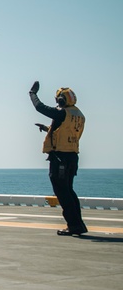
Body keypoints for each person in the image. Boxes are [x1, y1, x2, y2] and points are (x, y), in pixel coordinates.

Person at [29, 81, 87, 236]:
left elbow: (39, 107)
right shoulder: (79, 115)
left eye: (58, 100)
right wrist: (48, 129)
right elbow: (68, 133)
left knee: (62, 192)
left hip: (60, 158)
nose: (57, 103)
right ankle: (78, 224)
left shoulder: (62, 113)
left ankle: (74, 226)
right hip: (72, 157)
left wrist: (32, 93)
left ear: (62, 100)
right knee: (69, 191)